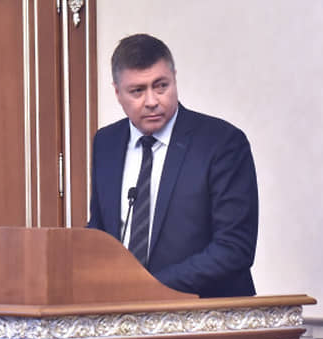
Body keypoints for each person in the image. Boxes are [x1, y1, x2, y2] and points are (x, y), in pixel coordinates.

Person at [88, 33, 259, 298]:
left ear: (174, 79)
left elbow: (234, 248)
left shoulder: (221, 142)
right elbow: (100, 231)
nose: (152, 101)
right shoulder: (106, 143)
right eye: (137, 91)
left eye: (161, 86)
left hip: (205, 312)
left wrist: (147, 287)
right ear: (117, 92)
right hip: (122, 311)